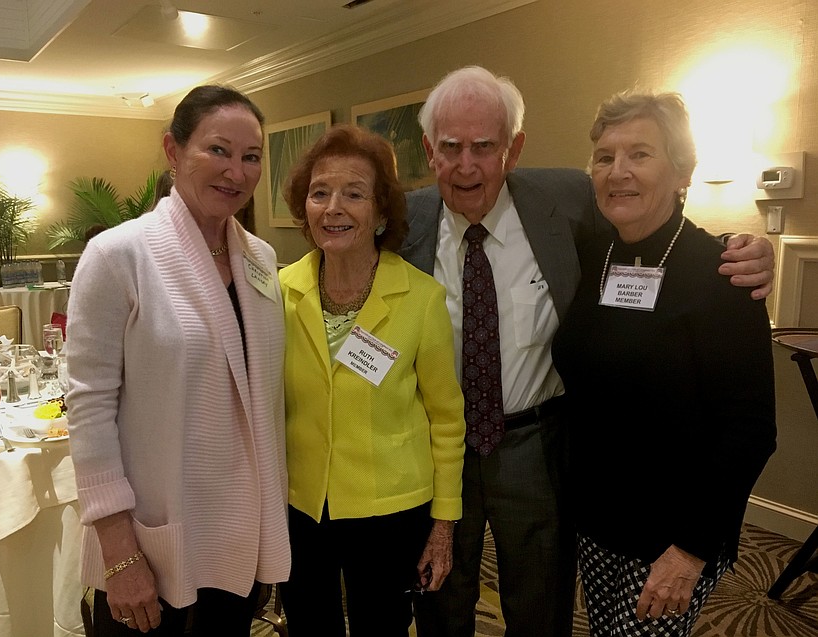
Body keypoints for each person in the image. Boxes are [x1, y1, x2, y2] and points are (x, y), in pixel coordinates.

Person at [400, 66, 777, 637]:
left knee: (541, 605)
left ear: (513, 150)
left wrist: (743, 248)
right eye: (450, 147)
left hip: (536, 448)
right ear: (430, 151)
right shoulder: (403, 221)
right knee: (440, 600)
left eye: (485, 146)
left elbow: (663, 230)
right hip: (439, 447)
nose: (467, 164)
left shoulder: (565, 203)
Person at [65, 85, 290, 636]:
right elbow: (89, 410)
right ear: (173, 150)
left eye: (251, 156)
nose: (235, 172)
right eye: (218, 150)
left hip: (236, 535)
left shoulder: (260, 258)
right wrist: (119, 552)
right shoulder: (118, 255)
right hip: (151, 538)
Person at [551, 89, 777, 635]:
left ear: (682, 172)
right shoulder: (593, 253)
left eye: (640, 154)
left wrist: (690, 550)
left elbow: (750, 430)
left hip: (671, 537)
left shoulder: (722, 276)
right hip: (597, 518)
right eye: (604, 157)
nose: (618, 172)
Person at [277, 123, 466, 637]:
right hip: (301, 505)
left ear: (382, 213)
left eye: (354, 194)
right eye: (320, 193)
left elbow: (447, 420)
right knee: (309, 628)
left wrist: (444, 524)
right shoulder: (279, 292)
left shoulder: (421, 299)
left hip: (391, 511)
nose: (333, 208)